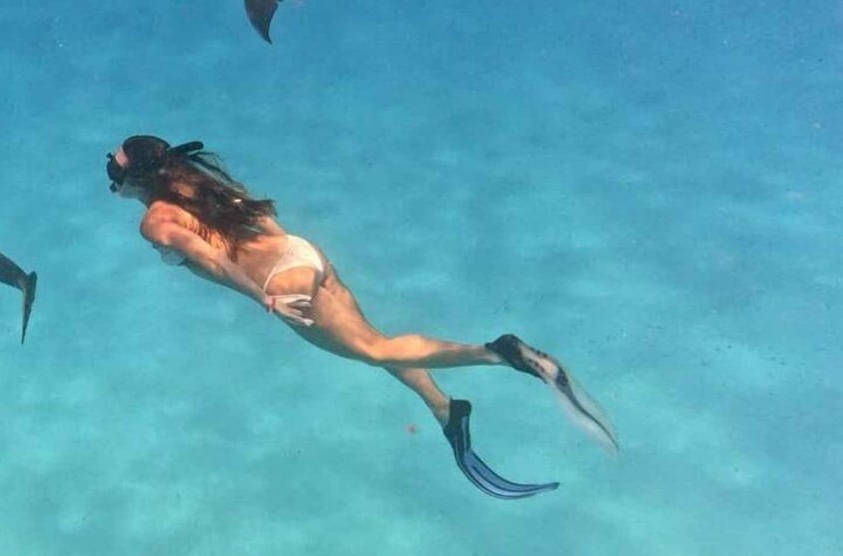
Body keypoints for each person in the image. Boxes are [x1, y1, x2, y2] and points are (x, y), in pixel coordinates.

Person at [105, 134, 618, 499]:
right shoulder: (196, 182)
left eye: (114, 169)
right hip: (302, 255)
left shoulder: (156, 220)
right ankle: (446, 410)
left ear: (137, 178)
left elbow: (215, 259)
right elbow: (259, 215)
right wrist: (300, 262)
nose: (111, 177)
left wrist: (267, 296)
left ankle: (499, 353)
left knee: (374, 351)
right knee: (376, 341)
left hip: (281, 285)